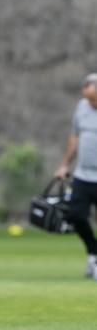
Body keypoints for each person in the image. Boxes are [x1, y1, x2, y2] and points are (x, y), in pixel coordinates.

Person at [54, 73, 97, 279]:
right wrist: (64, 165)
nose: (85, 90)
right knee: (76, 216)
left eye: (89, 86)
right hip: (84, 175)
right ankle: (93, 252)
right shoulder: (82, 107)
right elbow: (75, 137)